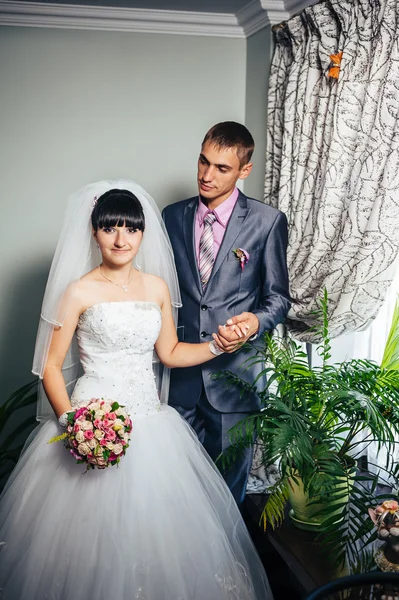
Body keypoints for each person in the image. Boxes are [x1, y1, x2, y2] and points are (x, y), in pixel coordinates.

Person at [0, 180, 273, 600]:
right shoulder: (78, 291)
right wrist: (75, 424)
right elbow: (52, 368)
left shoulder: (156, 288)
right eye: (110, 228)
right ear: (94, 233)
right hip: (92, 419)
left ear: (143, 233)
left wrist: (218, 344)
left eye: (130, 228)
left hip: (150, 421)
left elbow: (171, 352)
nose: (121, 238)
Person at [163, 122, 291, 505]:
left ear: (244, 170)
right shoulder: (171, 216)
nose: (206, 175)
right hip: (179, 374)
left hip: (236, 381)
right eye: (203, 161)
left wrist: (254, 322)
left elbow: (278, 299)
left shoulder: (268, 222)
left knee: (225, 496)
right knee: (173, 488)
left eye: (221, 168)